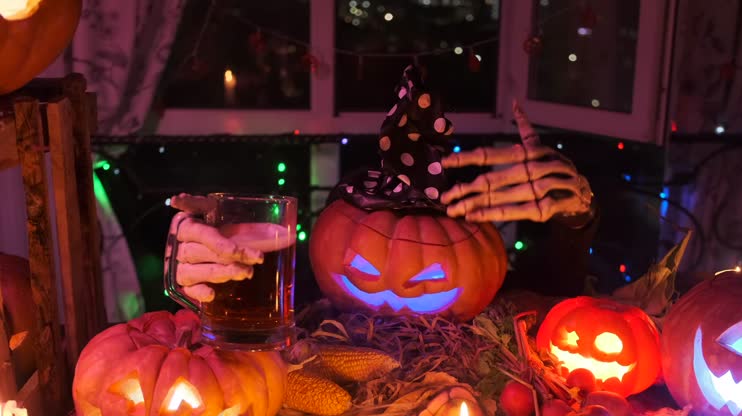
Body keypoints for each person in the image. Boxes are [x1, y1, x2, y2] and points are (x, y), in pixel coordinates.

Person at [166, 102, 596, 304]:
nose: (399, 288)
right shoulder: (305, 305)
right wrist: (210, 262)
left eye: (428, 271)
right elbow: (257, 296)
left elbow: (558, 300)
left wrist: (574, 221)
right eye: (368, 269)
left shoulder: (499, 316)